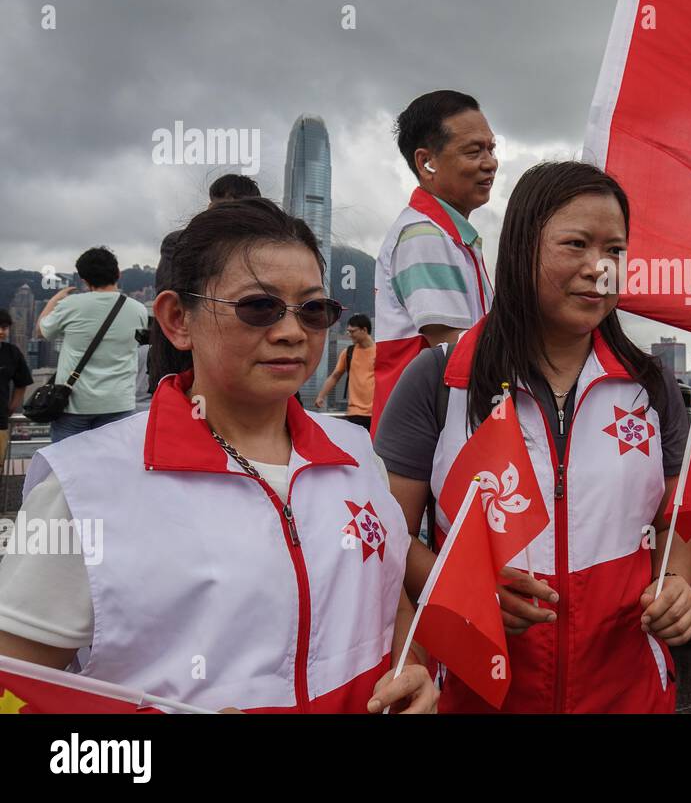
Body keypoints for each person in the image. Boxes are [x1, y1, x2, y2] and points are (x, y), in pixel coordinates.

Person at [0, 198, 435, 713]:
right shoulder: (84, 490)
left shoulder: (357, 455)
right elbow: (15, 690)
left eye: (313, 310)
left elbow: (392, 604)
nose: (292, 331)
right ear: (177, 319)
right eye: (259, 307)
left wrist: (413, 672)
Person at [375, 161, 691, 713]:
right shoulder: (441, 380)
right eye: (576, 244)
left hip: (628, 692)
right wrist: (465, 589)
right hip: (479, 693)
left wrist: (676, 583)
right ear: (523, 247)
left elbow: (676, 519)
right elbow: (389, 533)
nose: (600, 269)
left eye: (615, 251)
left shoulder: (652, 386)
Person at [372, 90, 497, 435]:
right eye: (474, 151)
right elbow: (455, 348)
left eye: (491, 148)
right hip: (427, 437)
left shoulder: (451, 235)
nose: (490, 163)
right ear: (426, 162)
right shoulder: (423, 235)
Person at [149, 173, 263, 389]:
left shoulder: (265, 249)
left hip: (244, 363)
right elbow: (173, 298)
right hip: (184, 362)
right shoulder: (181, 243)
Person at [36, 247, 149, 442]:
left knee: (68, 467)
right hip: (119, 404)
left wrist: (54, 300)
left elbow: (42, 331)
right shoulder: (138, 309)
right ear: (118, 274)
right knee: (111, 467)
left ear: (84, 280)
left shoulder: (71, 305)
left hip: (74, 405)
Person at [315, 314, 376, 430]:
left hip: (376, 412)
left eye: (352, 331)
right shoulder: (348, 352)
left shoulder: (380, 352)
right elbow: (335, 376)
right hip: (354, 412)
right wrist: (321, 396)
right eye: (348, 332)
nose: (350, 335)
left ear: (364, 330)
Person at [0, 310, 33, 463]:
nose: (1, 331)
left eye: (4, 327)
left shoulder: (12, 353)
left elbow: (22, 383)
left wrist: (12, 407)